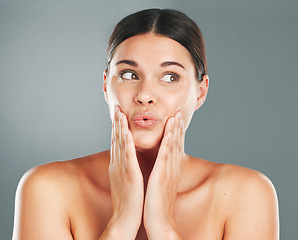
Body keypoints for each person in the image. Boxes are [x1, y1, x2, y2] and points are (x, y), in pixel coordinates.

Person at [12, 8, 279, 240]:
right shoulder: (47, 189)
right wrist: (121, 222)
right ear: (106, 85)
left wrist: (163, 226)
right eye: (129, 74)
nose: (145, 95)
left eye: (170, 77)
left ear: (200, 92)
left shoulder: (247, 194)